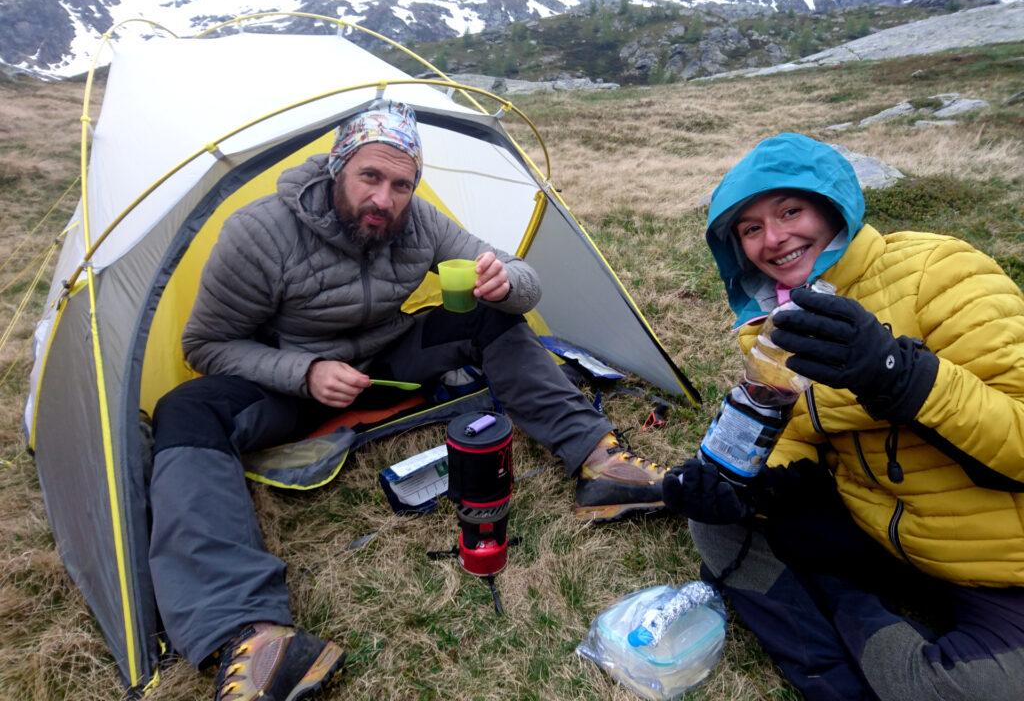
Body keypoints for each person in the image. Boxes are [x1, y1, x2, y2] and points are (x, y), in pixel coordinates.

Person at [148, 100, 666, 701]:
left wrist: (506, 284)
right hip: (287, 381)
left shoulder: (420, 223)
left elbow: (521, 276)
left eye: (402, 184)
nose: (385, 200)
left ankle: (601, 464)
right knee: (184, 411)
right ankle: (252, 633)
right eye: (370, 177)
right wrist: (305, 370)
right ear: (337, 168)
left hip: (386, 366)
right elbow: (206, 344)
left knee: (488, 317)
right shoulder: (259, 232)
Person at [663, 132, 1024, 700]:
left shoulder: (940, 270)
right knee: (712, 516)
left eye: (790, 211)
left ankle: (836, 601)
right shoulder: (771, 321)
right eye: (750, 229)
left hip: (999, 558)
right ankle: (844, 656)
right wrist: (745, 479)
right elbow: (794, 432)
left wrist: (898, 375)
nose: (774, 239)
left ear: (832, 208)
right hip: (877, 528)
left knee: (969, 691)